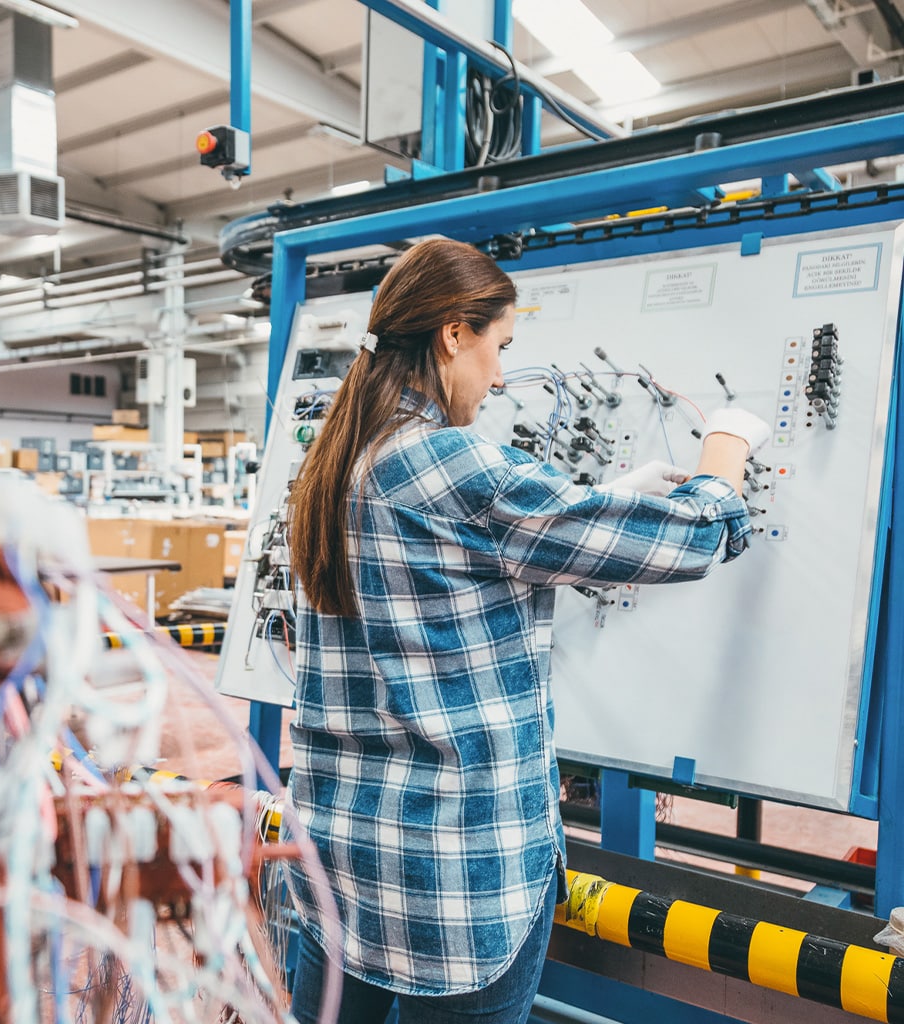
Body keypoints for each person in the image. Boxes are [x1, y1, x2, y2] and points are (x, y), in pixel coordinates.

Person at [282, 238, 769, 1024]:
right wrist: (728, 445)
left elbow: (455, 564)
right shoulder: (457, 464)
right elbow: (693, 537)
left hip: (340, 862)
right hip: (460, 883)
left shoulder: (337, 461)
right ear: (452, 334)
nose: (503, 374)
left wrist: (602, 496)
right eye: (499, 346)